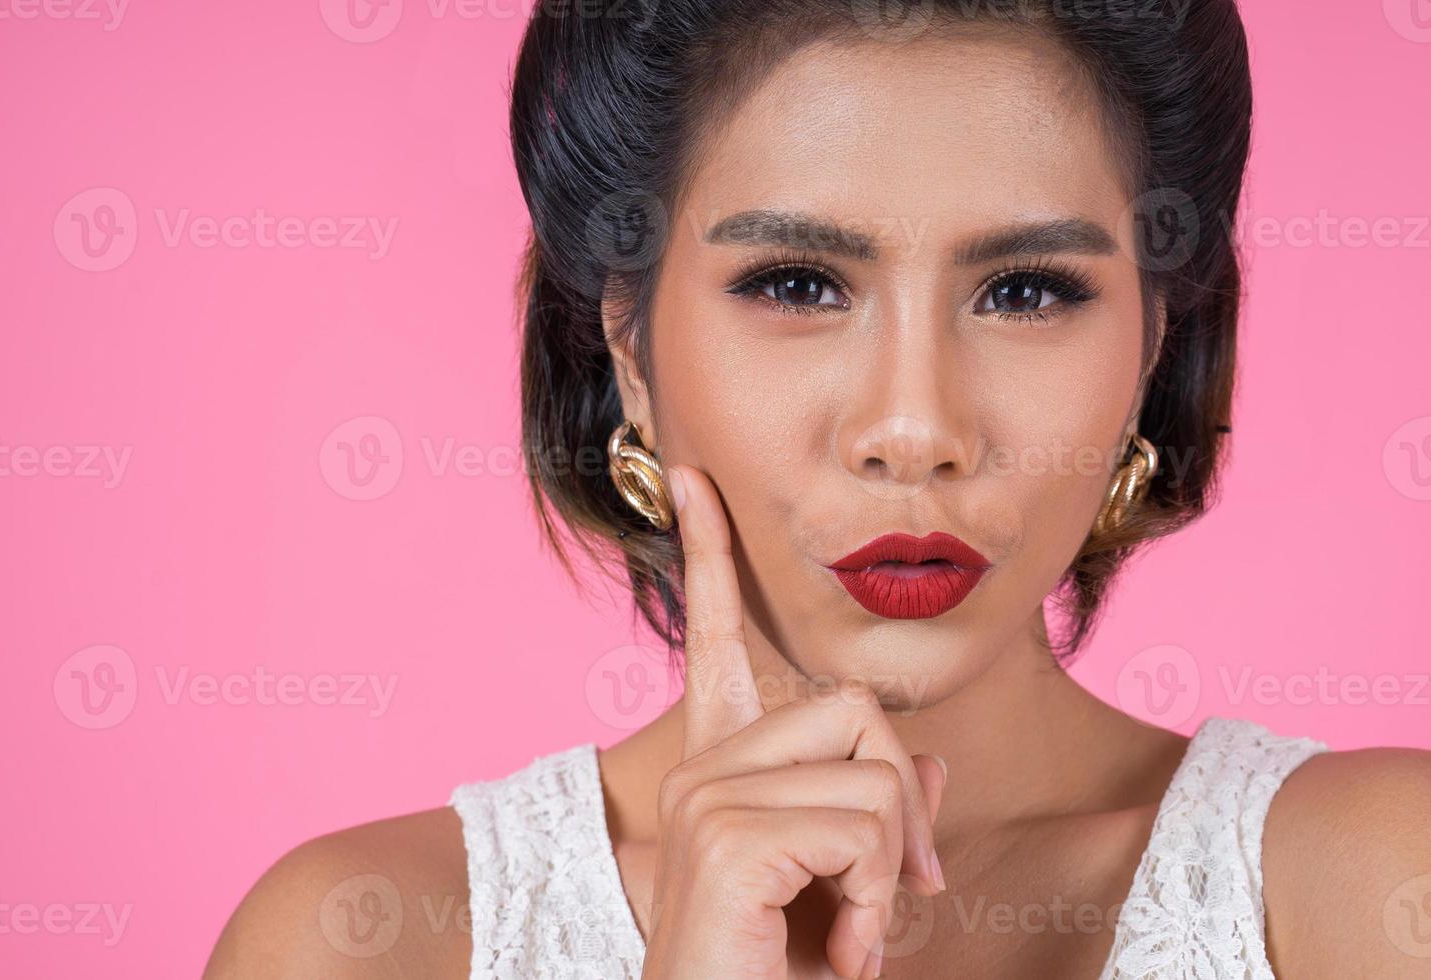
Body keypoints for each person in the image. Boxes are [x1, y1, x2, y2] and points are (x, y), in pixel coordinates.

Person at [205, 1, 1431, 976]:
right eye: (798, 283)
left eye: (1026, 290)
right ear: (626, 342)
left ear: (1155, 340)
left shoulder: (1372, 888)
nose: (914, 429)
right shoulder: (369, 941)